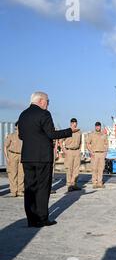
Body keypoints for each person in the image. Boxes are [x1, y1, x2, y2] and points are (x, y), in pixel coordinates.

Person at [18, 92, 77, 228]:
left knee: (29, 188)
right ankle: (42, 218)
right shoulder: (44, 114)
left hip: (27, 157)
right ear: (41, 101)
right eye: (48, 101)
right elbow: (51, 134)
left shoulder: (23, 115)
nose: (48, 104)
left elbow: (21, 136)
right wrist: (69, 131)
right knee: (43, 188)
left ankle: (31, 220)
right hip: (42, 157)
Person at [3, 122, 24, 197]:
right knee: (13, 173)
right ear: (16, 127)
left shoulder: (24, 136)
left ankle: (20, 190)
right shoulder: (11, 136)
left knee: (21, 174)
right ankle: (13, 191)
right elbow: (5, 147)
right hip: (12, 155)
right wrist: (7, 158)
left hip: (21, 155)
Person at [62, 118, 82, 192]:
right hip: (69, 151)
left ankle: (74, 184)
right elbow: (61, 141)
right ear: (70, 123)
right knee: (69, 168)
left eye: (75, 122)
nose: (74, 123)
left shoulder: (79, 132)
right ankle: (69, 184)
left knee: (76, 169)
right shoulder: (67, 131)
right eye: (73, 122)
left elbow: (81, 142)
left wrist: (79, 150)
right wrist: (64, 150)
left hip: (77, 151)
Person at [86, 122, 109, 189]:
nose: (97, 127)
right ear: (95, 127)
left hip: (102, 153)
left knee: (101, 169)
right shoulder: (91, 134)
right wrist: (90, 151)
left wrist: (105, 152)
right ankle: (94, 183)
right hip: (95, 154)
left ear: (100, 127)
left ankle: (100, 182)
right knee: (94, 169)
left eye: (99, 126)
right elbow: (87, 143)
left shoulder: (104, 135)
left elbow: (106, 144)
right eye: (96, 126)